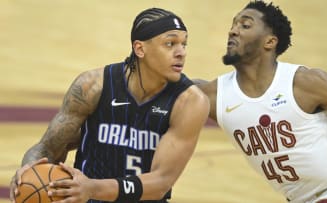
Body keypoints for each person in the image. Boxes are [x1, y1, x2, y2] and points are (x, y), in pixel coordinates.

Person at [9, 7, 210, 203]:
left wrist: (92, 188)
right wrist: (28, 173)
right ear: (140, 49)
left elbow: (161, 182)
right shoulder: (92, 86)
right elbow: (47, 148)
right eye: (170, 43)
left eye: (184, 44)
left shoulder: (189, 101)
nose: (181, 52)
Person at [195, 1, 327, 202]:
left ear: (269, 42)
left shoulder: (306, 82)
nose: (233, 31)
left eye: (245, 25)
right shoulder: (216, 95)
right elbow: (161, 88)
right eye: (233, 25)